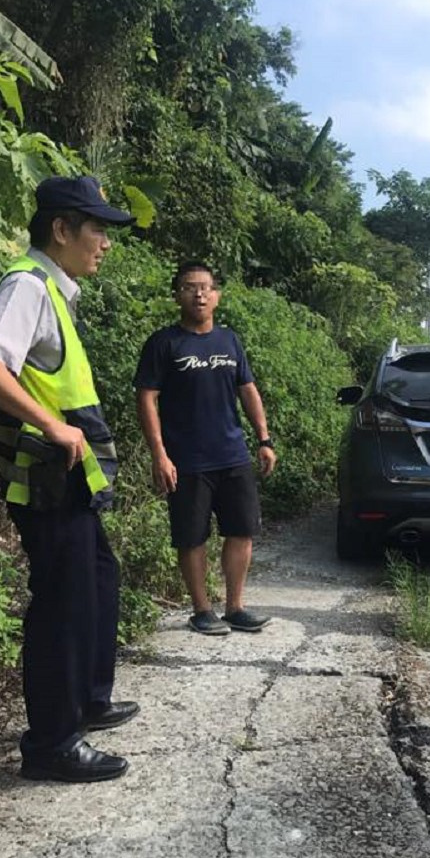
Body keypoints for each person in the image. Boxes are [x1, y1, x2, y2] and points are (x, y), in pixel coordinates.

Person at [0, 176, 139, 783]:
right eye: (97, 230)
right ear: (61, 230)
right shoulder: (27, 286)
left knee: (96, 578)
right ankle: (52, 743)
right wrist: (51, 427)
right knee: (63, 602)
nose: (105, 244)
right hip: (45, 478)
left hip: (69, 479)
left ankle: (89, 698)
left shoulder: (57, 292)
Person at [133, 261, 277, 636]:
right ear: (177, 294)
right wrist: (159, 454)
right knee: (191, 535)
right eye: (189, 287)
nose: (199, 293)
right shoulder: (164, 343)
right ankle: (201, 610)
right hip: (187, 459)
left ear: (217, 295)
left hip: (232, 454)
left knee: (241, 530)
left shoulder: (229, 341)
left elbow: (248, 389)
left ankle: (235, 607)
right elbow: (147, 399)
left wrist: (263, 439)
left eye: (206, 287)